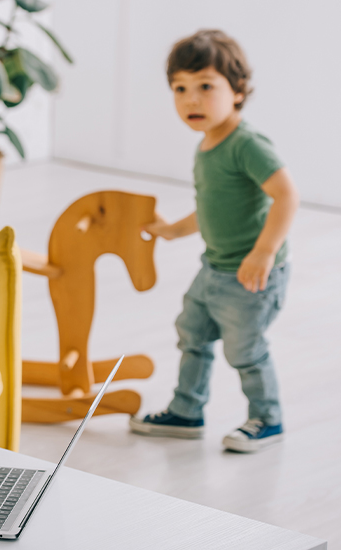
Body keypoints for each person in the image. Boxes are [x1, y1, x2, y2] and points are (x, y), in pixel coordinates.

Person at [129, 30, 299, 453]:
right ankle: (187, 411)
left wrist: (263, 252)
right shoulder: (207, 145)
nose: (191, 100)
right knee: (192, 334)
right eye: (180, 89)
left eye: (206, 87)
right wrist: (173, 230)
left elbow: (287, 195)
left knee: (245, 350)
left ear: (237, 91)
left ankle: (269, 418)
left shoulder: (247, 144)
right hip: (214, 268)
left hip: (251, 276)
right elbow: (211, 209)